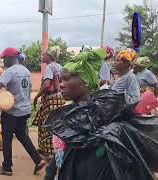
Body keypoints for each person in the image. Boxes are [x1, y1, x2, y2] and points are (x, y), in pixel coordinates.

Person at [44, 48, 158, 180]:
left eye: (67, 79)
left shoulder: (97, 118)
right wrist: (49, 173)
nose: (61, 85)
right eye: (60, 80)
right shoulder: (73, 114)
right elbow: (65, 145)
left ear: (86, 82)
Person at [0, 47, 46, 176]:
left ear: (10, 58)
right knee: (22, 135)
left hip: (12, 111)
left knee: (7, 138)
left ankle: (7, 167)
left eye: (4, 59)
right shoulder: (26, 70)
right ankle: (38, 160)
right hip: (24, 109)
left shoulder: (9, 72)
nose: (3, 61)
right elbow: (29, 88)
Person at [32, 46, 64, 157]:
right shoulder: (60, 66)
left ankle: (50, 153)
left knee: (46, 124)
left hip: (51, 100)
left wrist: (36, 96)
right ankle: (45, 148)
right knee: (53, 124)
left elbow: (46, 85)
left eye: (44, 54)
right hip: (59, 99)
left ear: (49, 56)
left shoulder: (49, 67)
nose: (42, 56)